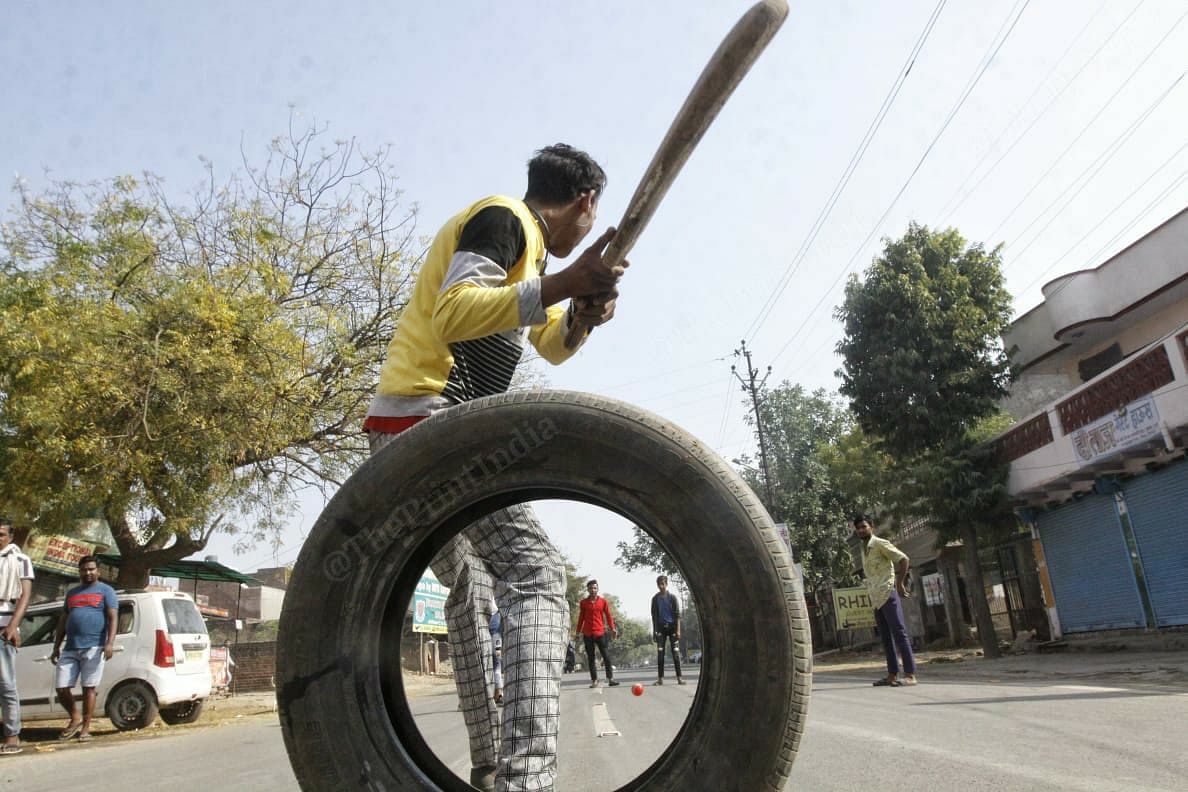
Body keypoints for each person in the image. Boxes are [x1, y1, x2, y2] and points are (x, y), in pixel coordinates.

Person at [363, 144, 624, 792]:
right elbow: (455, 309)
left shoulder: (528, 254)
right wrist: (567, 284)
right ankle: (526, 781)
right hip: (434, 418)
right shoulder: (504, 219)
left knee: (472, 590)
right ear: (585, 203)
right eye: (593, 215)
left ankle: (488, 770)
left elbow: (550, 344)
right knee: (535, 576)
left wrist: (582, 315)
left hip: (398, 430)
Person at [51, 555, 119, 741]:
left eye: (91, 569)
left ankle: (86, 729)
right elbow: (63, 620)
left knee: (88, 687)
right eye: (84, 569)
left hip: (95, 647)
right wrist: (56, 646)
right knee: (62, 687)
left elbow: (113, 618)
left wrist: (109, 643)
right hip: (70, 647)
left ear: (98, 571)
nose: (88, 572)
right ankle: (75, 716)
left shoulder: (107, 591)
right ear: (79, 571)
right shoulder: (72, 593)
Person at [854, 514, 918, 687]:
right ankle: (892, 674)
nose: (861, 530)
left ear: (871, 527)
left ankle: (910, 674)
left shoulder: (880, 544)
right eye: (858, 528)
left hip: (888, 593)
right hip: (876, 598)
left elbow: (904, 559)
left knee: (899, 633)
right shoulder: (864, 548)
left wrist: (900, 583)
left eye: (864, 526)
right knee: (885, 638)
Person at [0, 517, 34, 756]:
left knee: (6, 684)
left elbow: (25, 596)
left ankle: (12, 735)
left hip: (4, 625)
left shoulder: (20, 560)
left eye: (1, 534)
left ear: (10, 537)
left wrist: (13, 625)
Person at [574, 579, 620, 689]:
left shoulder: (603, 601)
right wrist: (578, 632)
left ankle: (611, 679)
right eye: (590, 588)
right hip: (588, 634)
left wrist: (612, 628)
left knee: (606, 656)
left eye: (595, 588)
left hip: (600, 633)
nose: (593, 590)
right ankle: (594, 680)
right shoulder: (584, 603)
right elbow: (581, 618)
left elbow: (608, 616)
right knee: (591, 658)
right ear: (588, 590)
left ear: (597, 589)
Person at [650, 575, 685, 685]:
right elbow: (654, 616)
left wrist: (678, 630)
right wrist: (654, 631)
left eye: (663, 584)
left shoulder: (672, 598)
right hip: (661, 628)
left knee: (675, 653)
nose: (661, 586)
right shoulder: (655, 599)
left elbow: (678, 615)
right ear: (657, 585)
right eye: (659, 584)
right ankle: (660, 679)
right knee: (660, 654)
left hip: (672, 628)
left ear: (666, 584)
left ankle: (679, 678)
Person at [489, 606, 503, 705]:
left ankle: (497, 694)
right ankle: (499, 695)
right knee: (497, 666)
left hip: (495, 639)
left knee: (496, 666)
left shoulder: (493, 616)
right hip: (497, 640)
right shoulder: (499, 615)